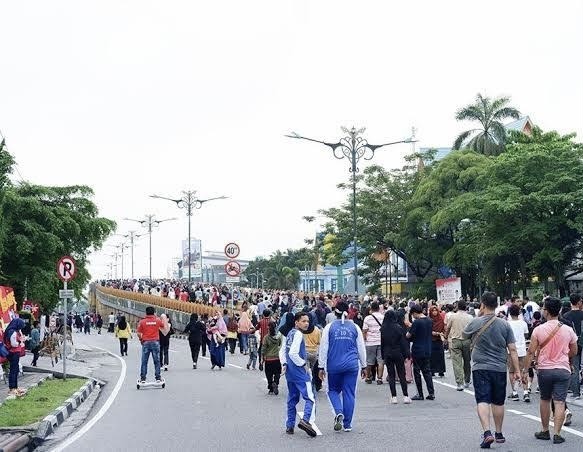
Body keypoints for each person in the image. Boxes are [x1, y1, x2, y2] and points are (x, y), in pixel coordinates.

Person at [463, 291, 521, 449]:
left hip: (480, 367)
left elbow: (464, 336)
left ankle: (487, 432)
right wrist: (516, 370)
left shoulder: (476, 322)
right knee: (498, 401)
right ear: (496, 305)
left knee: (482, 400)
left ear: (482, 304)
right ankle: (499, 433)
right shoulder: (504, 324)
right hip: (500, 368)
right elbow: (513, 349)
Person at [525, 297, 578, 444]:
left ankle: (544, 430)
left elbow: (530, 352)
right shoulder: (568, 330)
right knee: (560, 401)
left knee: (545, 399)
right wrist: (563, 355)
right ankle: (558, 433)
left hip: (545, 370)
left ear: (546, 312)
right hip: (563, 370)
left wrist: (525, 370)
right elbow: (574, 350)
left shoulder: (538, 330)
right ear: (559, 310)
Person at [319, 302, 367, 432]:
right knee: (349, 393)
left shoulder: (329, 328)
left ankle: (338, 412)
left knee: (333, 390)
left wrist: (321, 367)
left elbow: (324, 348)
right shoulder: (355, 327)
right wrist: (364, 366)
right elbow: (361, 348)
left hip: (333, 365)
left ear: (335, 312)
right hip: (352, 365)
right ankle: (347, 424)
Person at [279, 312, 317, 438]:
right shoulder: (299, 334)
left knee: (292, 399)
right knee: (310, 397)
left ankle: (290, 425)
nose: (306, 323)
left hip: (290, 372)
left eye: (307, 321)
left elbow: (283, 351)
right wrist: (303, 364)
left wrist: (284, 364)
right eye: (303, 321)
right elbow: (293, 353)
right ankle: (305, 420)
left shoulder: (289, 333)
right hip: (300, 372)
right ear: (296, 322)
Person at [380, 310, 411, 404]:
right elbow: (403, 342)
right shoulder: (398, 327)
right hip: (398, 352)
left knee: (391, 375)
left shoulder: (383, 328)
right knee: (402, 374)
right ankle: (405, 396)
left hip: (387, 353)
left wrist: (383, 355)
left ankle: (394, 397)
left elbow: (382, 343)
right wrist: (406, 353)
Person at [406, 304, 435, 401]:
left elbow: (409, 335)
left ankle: (420, 393)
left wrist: (408, 328)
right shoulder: (430, 320)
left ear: (414, 313)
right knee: (427, 371)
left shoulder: (417, 322)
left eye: (412, 314)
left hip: (418, 349)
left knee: (417, 371)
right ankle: (431, 393)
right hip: (428, 348)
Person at [445, 300, 473, 390]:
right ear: (466, 307)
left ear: (457, 307)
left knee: (457, 363)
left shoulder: (453, 316)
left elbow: (448, 328)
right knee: (467, 361)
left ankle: (459, 383)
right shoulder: (470, 317)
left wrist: (445, 337)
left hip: (456, 340)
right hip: (467, 341)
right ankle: (467, 380)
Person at [137, 306, 170, 384]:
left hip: (146, 342)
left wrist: (141, 340)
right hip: (155, 342)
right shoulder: (157, 321)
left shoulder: (142, 322)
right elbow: (164, 327)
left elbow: (138, 333)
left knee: (144, 361)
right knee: (157, 361)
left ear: (146, 312)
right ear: (154, 312)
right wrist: (164, 317)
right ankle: (158, 378)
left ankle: (143, 379)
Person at [506, 304, 530, 402]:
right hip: (522, 350)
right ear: (519, 312)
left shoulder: (507, 324)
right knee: (523, 370)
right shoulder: (523, 323)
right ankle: (525, 392)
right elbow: (526, 334)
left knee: (512, 372)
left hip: (511, 351)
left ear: (510, 313)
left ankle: (515, 392)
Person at [563, 294, 583, 400]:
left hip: (572, 344)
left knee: (574, 366)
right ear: (579, 302)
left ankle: (576, 392)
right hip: (582, 342)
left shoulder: (566, 316)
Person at [3, 318, 27, 397]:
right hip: (13, 353)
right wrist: (20, 341)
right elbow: (14, 344)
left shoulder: (11, 331)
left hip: (14, 353)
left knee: (15, 370)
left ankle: (15, 387)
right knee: (13, 371)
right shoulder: (12, 332)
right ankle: (12, 388)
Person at [362, 301, 385, 385]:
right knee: (380, 361)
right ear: (379, 308)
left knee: (369, 361)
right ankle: (380, 378)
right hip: (381, 341)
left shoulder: (367, 318)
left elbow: (364, 330)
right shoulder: (383, 317)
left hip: (370, 342)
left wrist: (364, 339)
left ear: (371, 308)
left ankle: (368, 377)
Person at [262, 321, 282, 395]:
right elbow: (280, 344)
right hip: (276, 358)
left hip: (268, 359)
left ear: (268, 328)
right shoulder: (278, 337)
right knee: (277, 373)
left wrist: (262, 359)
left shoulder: (266, 337)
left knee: (269, 374)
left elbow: (263, 348)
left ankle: (270, 388)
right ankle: (276, 382)